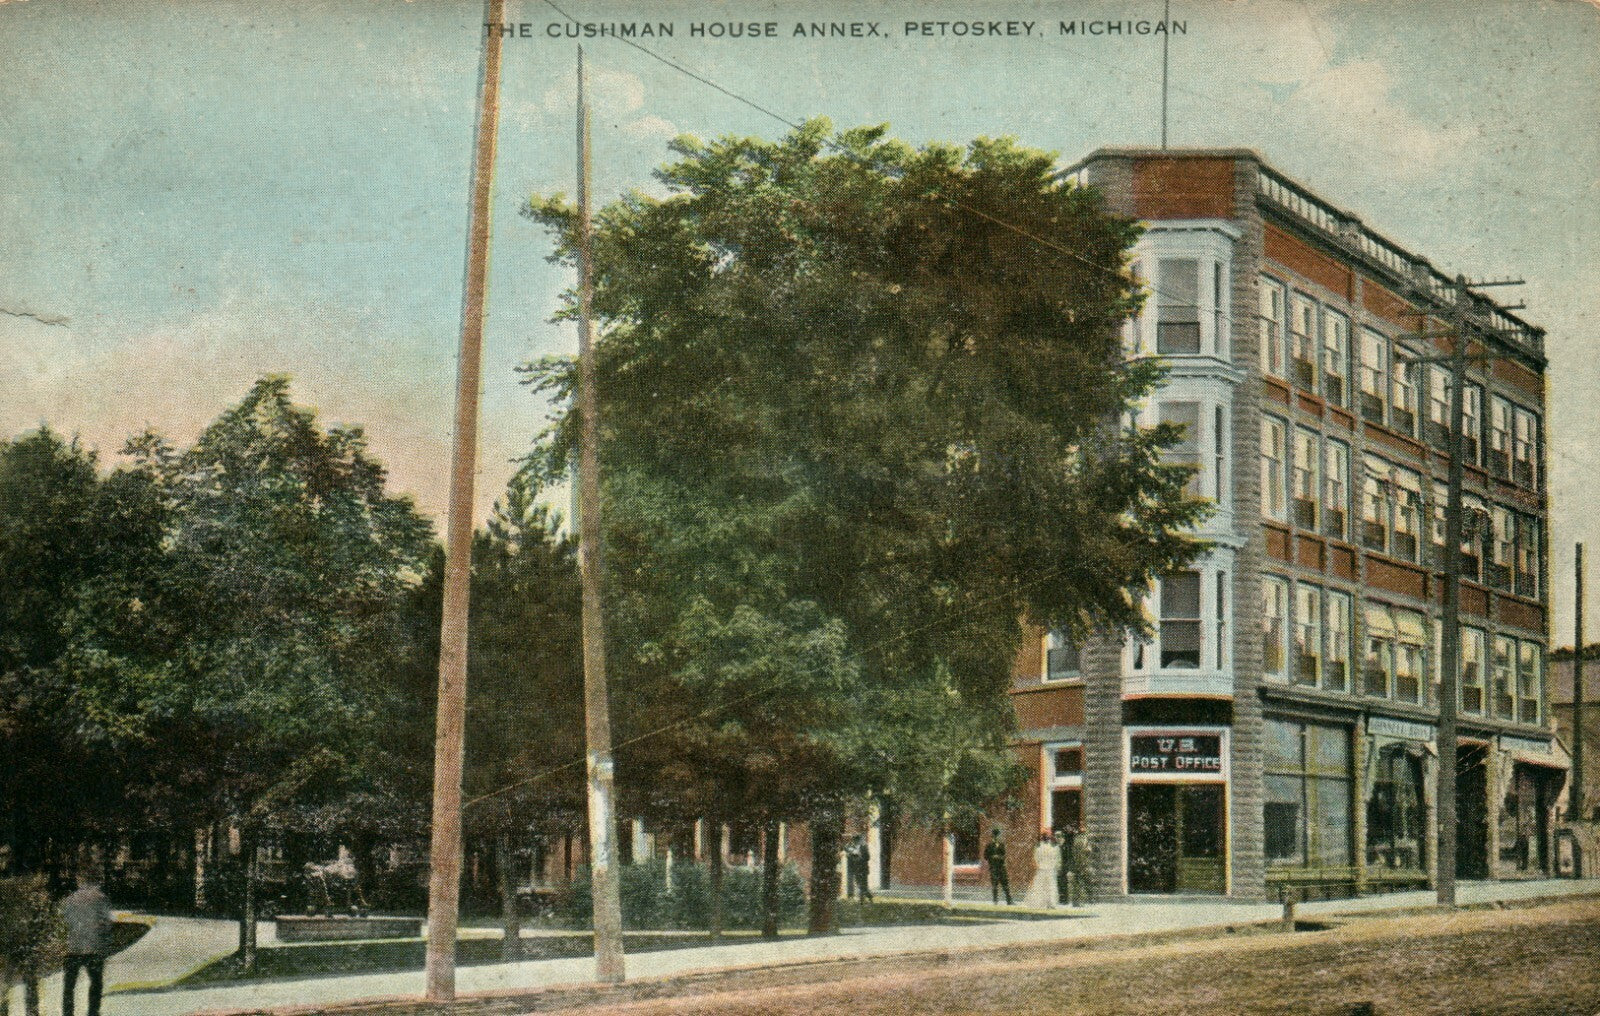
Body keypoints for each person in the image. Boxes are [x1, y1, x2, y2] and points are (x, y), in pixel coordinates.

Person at [60, 874, 113, 1016]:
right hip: (93, 947)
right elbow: (107, 923)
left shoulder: (70, 899)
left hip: (73, 947)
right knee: (96, 983)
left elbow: (65, 920)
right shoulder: (100, 898)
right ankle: (92, 1012)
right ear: (96, 881)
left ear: (80, 881)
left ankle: (67, 1013)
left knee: (69, 985)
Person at [1023, 833, 1062, 909]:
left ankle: (1038, 903)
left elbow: (1036, 858)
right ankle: (1052, 903)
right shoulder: (1055, 847)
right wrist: (1057, 868)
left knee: (1039, 887)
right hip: (1051, 869)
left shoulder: (1038, 847)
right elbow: (1058, 859)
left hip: (1041, 869)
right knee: (1051, 886)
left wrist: (1038, 865)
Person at [982, 827, 1011, 905]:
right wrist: (992, 857)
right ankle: (995, 901)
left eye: (998, 835)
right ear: (993, 836)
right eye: (995, 836)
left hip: (1001, 867)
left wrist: (998, 857)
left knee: (1005, 884)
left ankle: (1009, 900)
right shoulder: (989, 845)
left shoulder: (1002, 845)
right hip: (993, 868)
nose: (997, 837)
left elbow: (1004, 855)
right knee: (994, 885)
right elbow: (985, 856)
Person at [1070, 827, 1096, 907]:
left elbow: (1073, 852)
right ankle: (1089, 900)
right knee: (1087, 881)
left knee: (1077, 883)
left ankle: (1076, 901)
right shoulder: (1085, 840)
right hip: (1084, 864)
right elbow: (1088, 851)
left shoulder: (1075, 840)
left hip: (1077, 864)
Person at [844, 834, 873, 902]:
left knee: (864, 885)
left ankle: (864, 898)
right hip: (856, 869)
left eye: (856, 840)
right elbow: (846, 849)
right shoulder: (851, 847)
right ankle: (864, 898)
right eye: (854, 840)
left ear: (859, 840)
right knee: (859, 884)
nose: (855, 842)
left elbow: (868, 857)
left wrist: (860, 857)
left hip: (863, 869)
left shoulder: (864, 847)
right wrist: (851, 855)